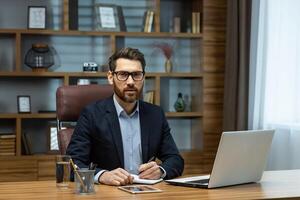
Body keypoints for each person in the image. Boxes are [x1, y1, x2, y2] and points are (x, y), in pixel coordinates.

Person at [66, 47, 184, 186]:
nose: (130, 82)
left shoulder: (155, 115)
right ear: (111, 77)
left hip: (146, 192)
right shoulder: (92, 114)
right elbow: (74, 164)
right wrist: (102, 175)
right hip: (108, 194)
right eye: (123, 74)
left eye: (136, 74)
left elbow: (175, 159)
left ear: (143, 77)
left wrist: (160, 170)